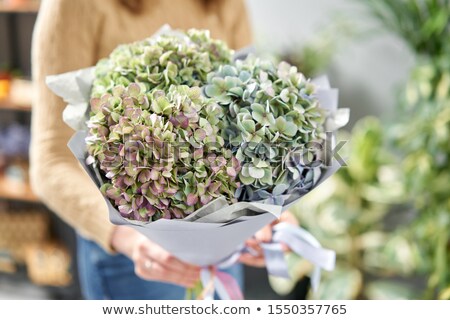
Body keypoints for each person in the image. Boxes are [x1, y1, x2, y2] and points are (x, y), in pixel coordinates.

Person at [31, 0, 296, 300]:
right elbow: (50, 161)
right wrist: (127, 237)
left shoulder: (227, 3)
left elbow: (245, 107)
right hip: (135, 259)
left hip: (221, 250)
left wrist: (270, 209)